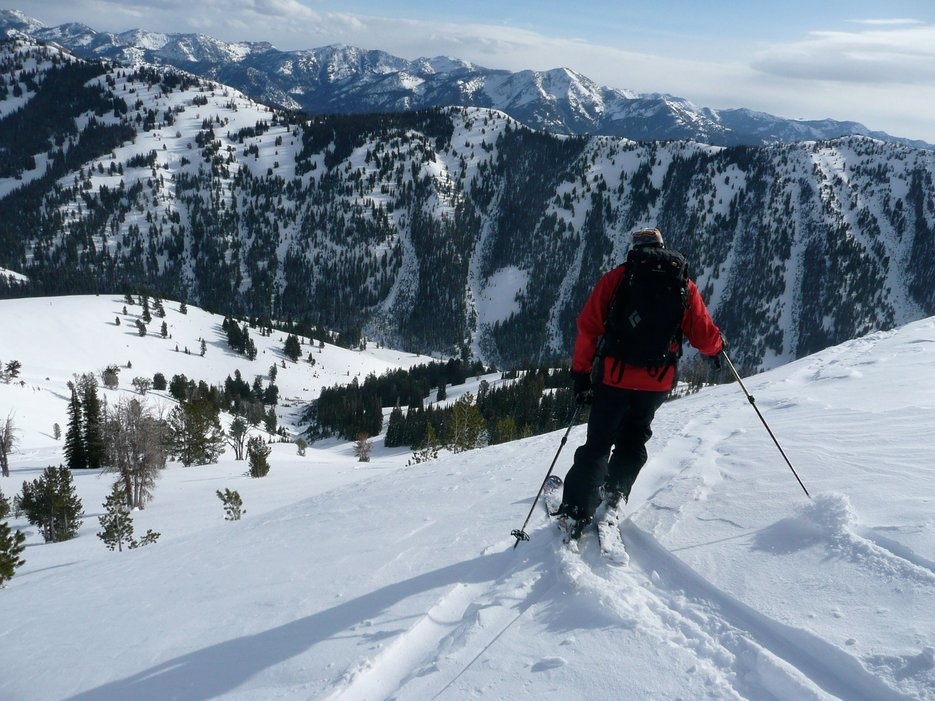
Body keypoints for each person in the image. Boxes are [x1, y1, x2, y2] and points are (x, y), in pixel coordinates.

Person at [555, 227, 724, 539]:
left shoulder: (616, 280)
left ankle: (576, 512)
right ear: (661, 247)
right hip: (656, 382)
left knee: (599, 442)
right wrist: (717, 348)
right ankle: (615, 494)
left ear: (634, 249)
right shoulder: (683, 285)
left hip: (614, 377)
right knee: (634, 439)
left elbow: (588, 328)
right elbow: (703, 333)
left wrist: (581, 374)